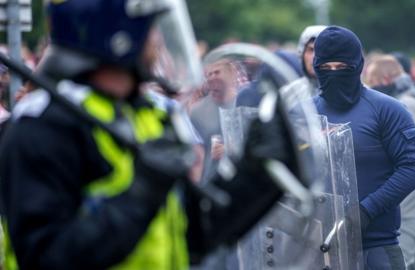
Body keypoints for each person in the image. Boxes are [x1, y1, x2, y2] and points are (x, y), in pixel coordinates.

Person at [0, 1, 302, 269]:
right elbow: (46, 257)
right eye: (151, 29)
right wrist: (141, 193)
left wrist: (256, 173)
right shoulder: (42, 128)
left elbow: (190, 237)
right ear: (117, 36)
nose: (158, 41)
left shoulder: (151, 115)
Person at [312, 26, 415, 269]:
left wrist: (366, 210)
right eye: (326, 67)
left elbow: (414, 166)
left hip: (376, 247)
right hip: (315, 247)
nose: (334, 73)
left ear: (357, 65)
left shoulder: (387, 109)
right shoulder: (301, 112)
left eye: (342, 67)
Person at [364, 55, 415, 270]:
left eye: (372, 80)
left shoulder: (407, 104)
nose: (369, 86)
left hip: (411, 201)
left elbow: (403, 154)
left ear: (386, 79)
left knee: (403, 260)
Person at [280, 25, 326, 110]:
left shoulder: (346, 94)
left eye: (321, 50)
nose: (314, 56)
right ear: (301, 53)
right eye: (311, 50)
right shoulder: (288, 94)